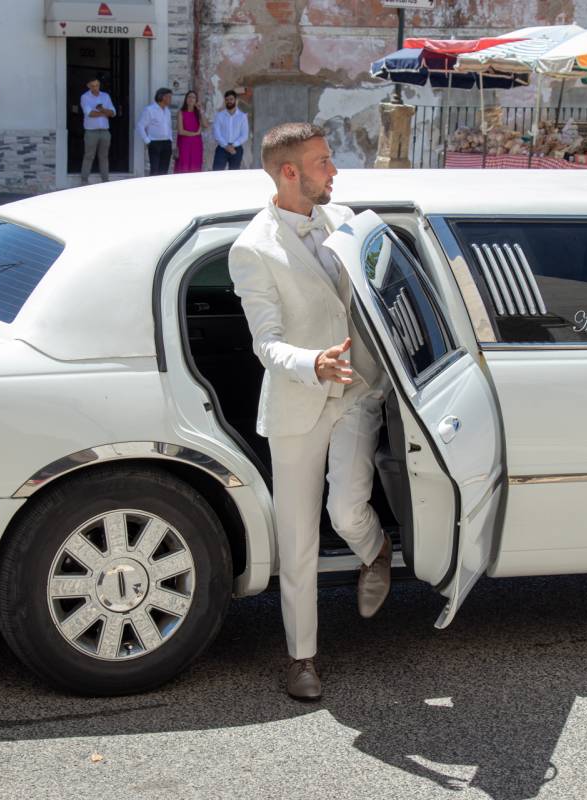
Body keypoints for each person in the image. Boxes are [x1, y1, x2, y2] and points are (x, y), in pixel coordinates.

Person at [228, 123, 390, 701]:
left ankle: (375, 553)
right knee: (296, 538)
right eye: (323, 161)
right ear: (288, 172)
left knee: (347, 510)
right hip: (299, 398)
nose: (334, 170)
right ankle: (303, 658)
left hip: (357, 390)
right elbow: (264, 343)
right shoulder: (253, 249)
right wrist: (310, 362)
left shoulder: (343, 220)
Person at [79, 77, 115, 184]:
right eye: (93, 86)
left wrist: (103, 110)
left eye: (97, 85)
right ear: (88, 86)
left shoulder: (105, 96)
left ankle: (105, 180)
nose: (96, 88)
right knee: (89, 156)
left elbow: (113, 113)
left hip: (105, 131)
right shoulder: (85, 97)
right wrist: (105, 113)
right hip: (91, 131)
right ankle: (84, 181)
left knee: (104, 156)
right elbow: (90, 113)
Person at [136, 87, 173, 176]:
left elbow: (169, 126)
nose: (171, 99)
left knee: (164, 170)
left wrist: (170, 139)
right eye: (169, 97)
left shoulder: (167, 111)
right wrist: (147, 141)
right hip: (155, 143)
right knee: (155, 170)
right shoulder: (149, 110)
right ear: (163, 97)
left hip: (166, 143)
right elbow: (140, 126)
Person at [212, 89, 249, 170]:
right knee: (216, 174)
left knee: (234, 175)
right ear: (225, 101)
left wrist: (233, 145)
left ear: (235, 100)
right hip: (222, 148)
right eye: (227, 100)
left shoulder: (242, 116)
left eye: (231, 99)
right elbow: (216, 133)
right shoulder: (219, 116)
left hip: (236, 149)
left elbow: (244, 135)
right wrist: (226, 146)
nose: (229, 101)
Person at [174, 90, 206, 173]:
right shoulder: (181, 113)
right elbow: (181, 131)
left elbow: (205, 125)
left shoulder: (198, 113)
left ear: (196, 100)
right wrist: (195, 133)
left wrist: (201, 110)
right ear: (186, 99)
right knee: (183, 167)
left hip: (196, 144)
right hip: (184, 144)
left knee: (195, 167)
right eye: (189, 97)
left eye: (193, 97)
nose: (191, 99)